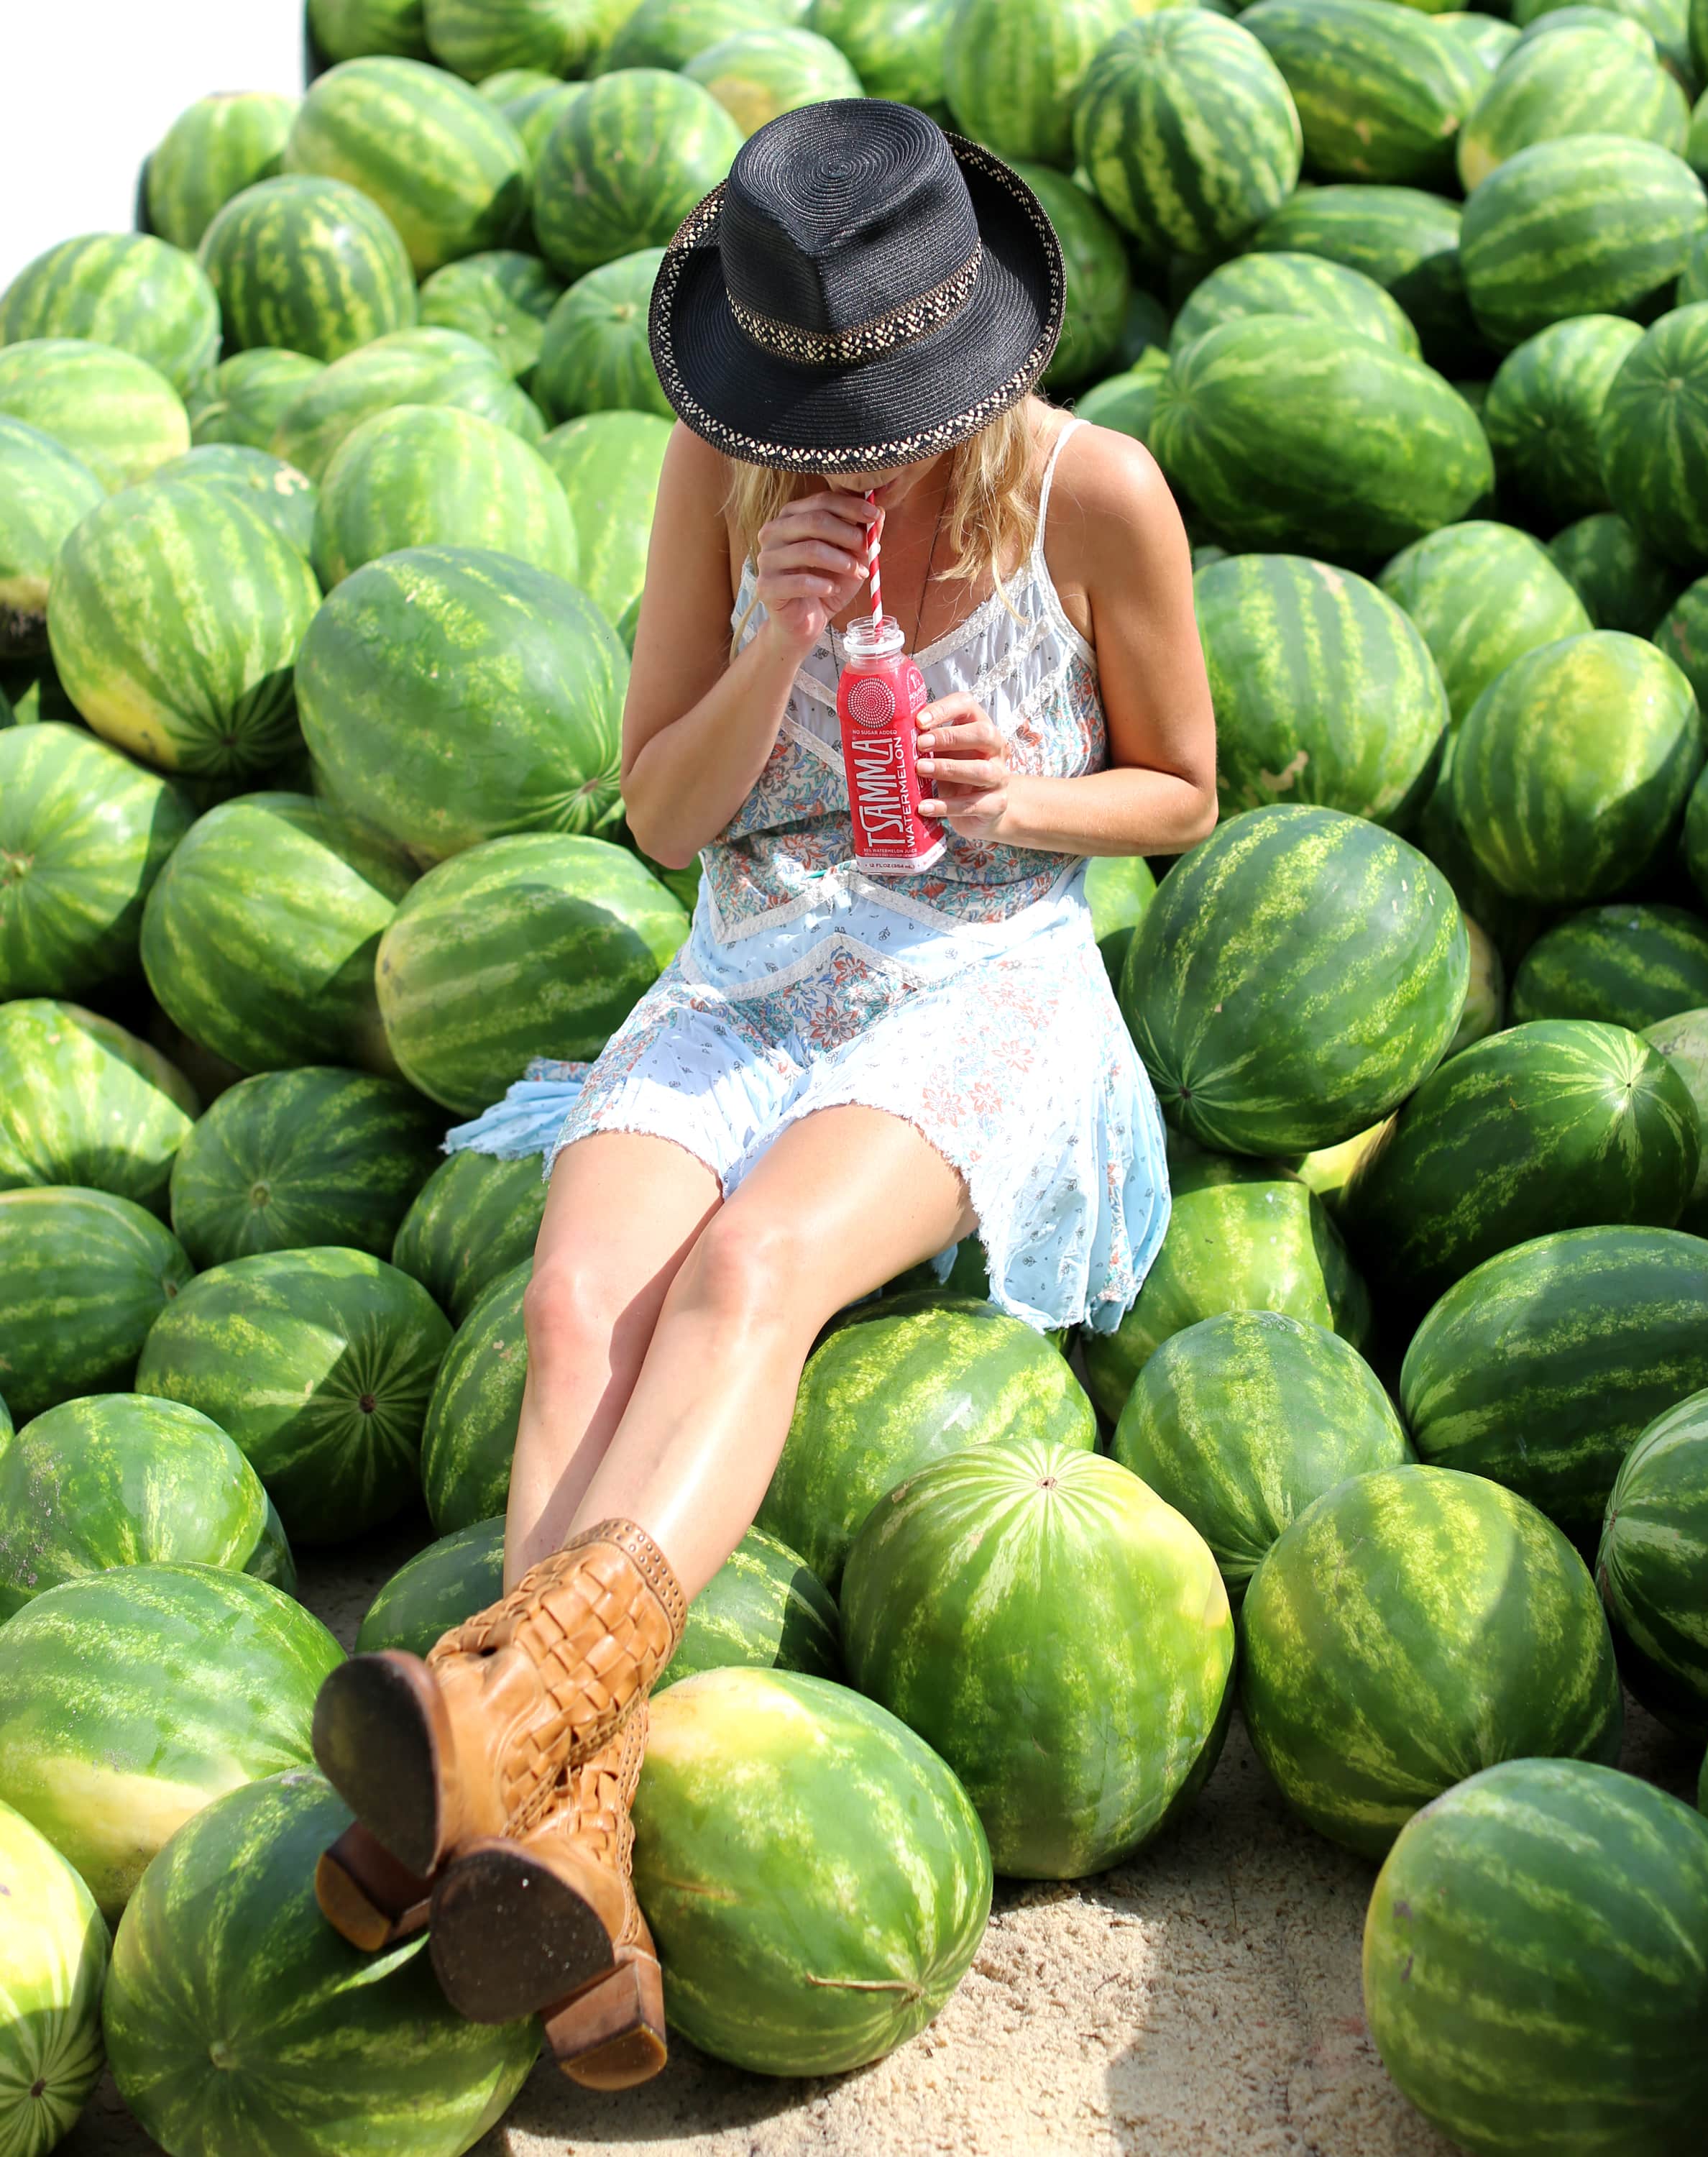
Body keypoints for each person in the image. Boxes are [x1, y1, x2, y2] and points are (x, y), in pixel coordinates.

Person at [308, 98, 1216, 2092]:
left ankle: (488, 1741)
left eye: (880, 427)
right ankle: (574, 1849)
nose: (846, 467)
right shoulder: (717, 470)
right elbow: (662, 814)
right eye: (811, 432)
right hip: (757, 948)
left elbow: (1184, 790)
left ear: (982, 367)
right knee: (574, 1299)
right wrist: (771, 640)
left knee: (747, 1280)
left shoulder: (1099, 495)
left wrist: (1029, 798)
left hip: (987, 971)